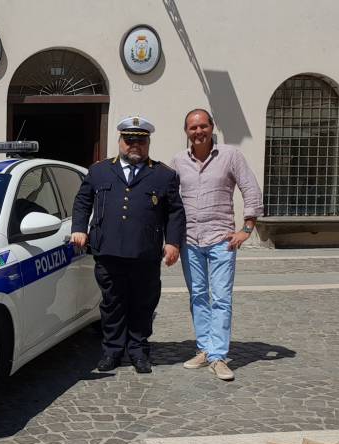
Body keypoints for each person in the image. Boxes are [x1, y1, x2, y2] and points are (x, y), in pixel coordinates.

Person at [71, 116, 185, 374]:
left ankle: (138, 351)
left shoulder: (163, 175)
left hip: (145, 252)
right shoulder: (99, 171)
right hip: (108, 249)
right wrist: (78, 228)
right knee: (112, 303)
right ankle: (111, 351)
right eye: (130, 140)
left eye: (141, 141)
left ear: (148, 143)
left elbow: (175, 212)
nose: (135, 145)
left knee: (143, 303)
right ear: (120, 141)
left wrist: (173, 243)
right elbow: (82, 202)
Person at [170, 109, 264, 381]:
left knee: (221, 298)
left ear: (212, 127)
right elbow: (170, 201)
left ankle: (219, 356)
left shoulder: (230, 156)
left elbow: (250, 188)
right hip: (189, 240)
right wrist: (171, 239)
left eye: (202, 126)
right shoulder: (178, 161)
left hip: (221, 239)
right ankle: (204, 349)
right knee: (198, 296)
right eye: (192, 128)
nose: (198, 132)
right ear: (186, 131)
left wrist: (247, 229)